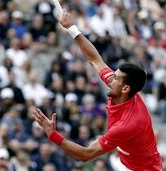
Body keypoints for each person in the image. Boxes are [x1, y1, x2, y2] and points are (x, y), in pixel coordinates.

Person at [33, 10, 163, 170]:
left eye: (115, 78)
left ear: (126, 88)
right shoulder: (121, 90)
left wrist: (53, 135)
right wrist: (72, 28)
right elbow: (95, 59)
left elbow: (85, 155)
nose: (110, 79)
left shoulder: (126, 125)